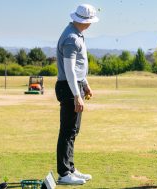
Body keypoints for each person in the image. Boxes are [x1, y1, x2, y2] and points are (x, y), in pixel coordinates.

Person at [55, 4, 98, 185]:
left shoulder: (75, 33)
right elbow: (70, 70)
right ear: (86, 22)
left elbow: (78, 69)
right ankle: (64, 173)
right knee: (67, 131)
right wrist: (77, 95)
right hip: (68, 88)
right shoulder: (72, 38)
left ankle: (70, 168)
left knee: (73, 130)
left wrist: (85, 84)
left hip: (74, 86)